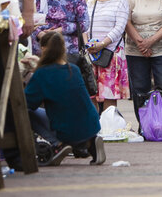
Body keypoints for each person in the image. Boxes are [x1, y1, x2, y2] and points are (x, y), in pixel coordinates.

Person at [25, 32, 106, 166]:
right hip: (91, 124)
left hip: (65, 129)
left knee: (28, 112)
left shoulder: (42, 73)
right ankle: (91, 142)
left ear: (44, 49)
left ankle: (58, 144)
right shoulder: (73, 69)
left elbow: (28, 102)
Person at [86, 0, 129, 113]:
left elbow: (120, 27)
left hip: (111, 53)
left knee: (109, 93)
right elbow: (84, 25)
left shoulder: (121, 0)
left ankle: (109, 128)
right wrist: (87, 45)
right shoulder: (91, 2)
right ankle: (94, 128)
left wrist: (103, 44)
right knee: (91, 92)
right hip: (91, 53)